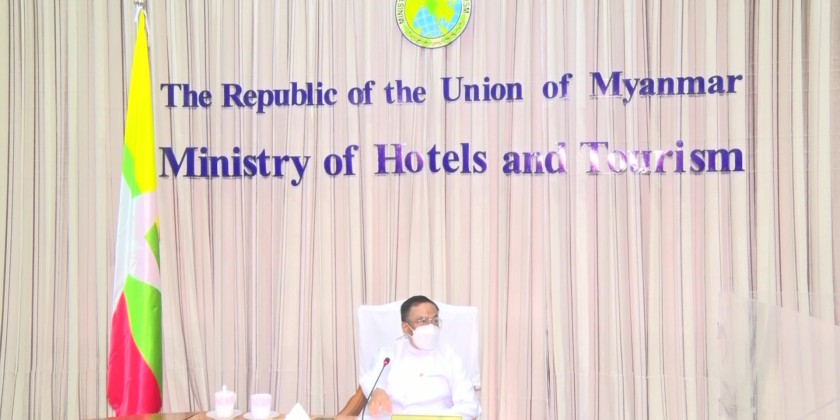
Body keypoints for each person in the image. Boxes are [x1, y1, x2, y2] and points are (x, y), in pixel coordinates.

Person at [359, 295, 480, 419]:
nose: (431, 327)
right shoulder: (389, 354)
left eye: (435, 321)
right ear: (406, 327)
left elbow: (468, 405)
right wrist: (376, 391)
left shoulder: (449, 357)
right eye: (422, 321)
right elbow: (370, 379)